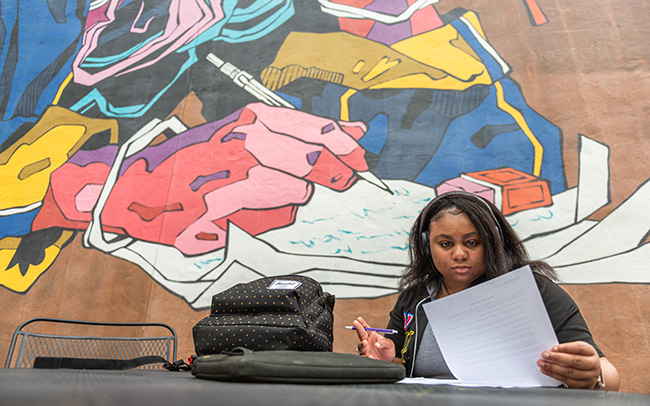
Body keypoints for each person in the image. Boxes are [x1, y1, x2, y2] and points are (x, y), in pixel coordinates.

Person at [353, 191, 620, 390]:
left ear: (492, 243)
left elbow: (610, 375)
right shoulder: (414, 299)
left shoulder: (535, 291)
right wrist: (384, 365)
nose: (459, 254)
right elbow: (401, 370)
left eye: (472, 242)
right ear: (427, 247)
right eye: (445, 244)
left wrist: (594, 375)